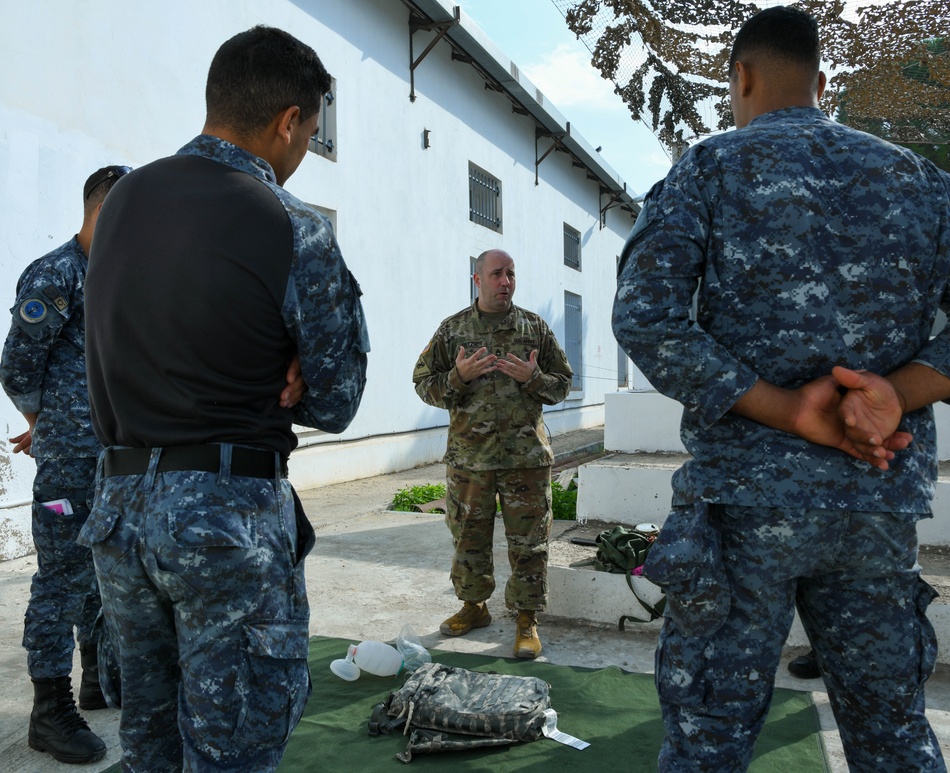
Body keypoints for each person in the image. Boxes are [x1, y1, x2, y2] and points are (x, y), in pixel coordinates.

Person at [612, 6, 950, 772]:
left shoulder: (709, 168)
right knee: (893, 737)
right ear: (822, 82)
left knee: (707, 742)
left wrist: (785, 407)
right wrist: (894, 392)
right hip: (875, 501)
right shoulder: (924, 183)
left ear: (743, 77)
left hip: (741, 512)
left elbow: (645, 316)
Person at [80, 26, 369, 771]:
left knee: (150, 741)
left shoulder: (122, 203)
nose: (304, 149)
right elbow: (337, 399)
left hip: (119, 510)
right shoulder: (290, 224)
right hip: (223, 518)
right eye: (309, 131)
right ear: (288, 121)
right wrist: (293, 364)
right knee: (232, 745)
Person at [1, 164, 131, 764]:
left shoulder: (120, 276)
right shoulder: (56, 274)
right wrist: (44, 424)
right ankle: (49, 711)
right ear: (101, 210)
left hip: (115, 455)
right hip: (68, 464)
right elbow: (17, 367)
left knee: (99, 570)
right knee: (61, 577)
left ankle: (96, 676)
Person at [413, 249, 573, 659]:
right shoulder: (452, 331)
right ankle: (474, 606)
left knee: (529, 544)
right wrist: (457, 377)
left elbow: (563, 384)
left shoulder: (534, 328)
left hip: (525, 460)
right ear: (477, 280)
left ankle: (525, 618)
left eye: (511, 275)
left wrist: (534, 378)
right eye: (497, 274)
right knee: (468, 539)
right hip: (471, 461)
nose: (506, 282)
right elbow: (422, 383)